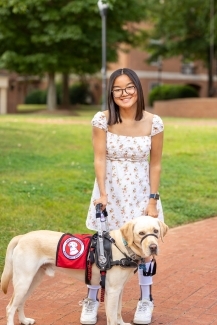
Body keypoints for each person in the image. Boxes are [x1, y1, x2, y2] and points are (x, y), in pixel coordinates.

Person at [80, 68, 164, 325]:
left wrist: (152, 200)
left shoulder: (154, 122)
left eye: (129, 87)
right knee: (102, 249)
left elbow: (156, 164)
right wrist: (103, 194)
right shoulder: (101, 120)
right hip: (111, 192)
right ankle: (92, 300)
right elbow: (99, 157)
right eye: (118, 89)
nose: (124, 93)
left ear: (138, 89)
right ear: (111, 93)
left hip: (141, 193)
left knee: (145, 249)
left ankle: (145, 300)